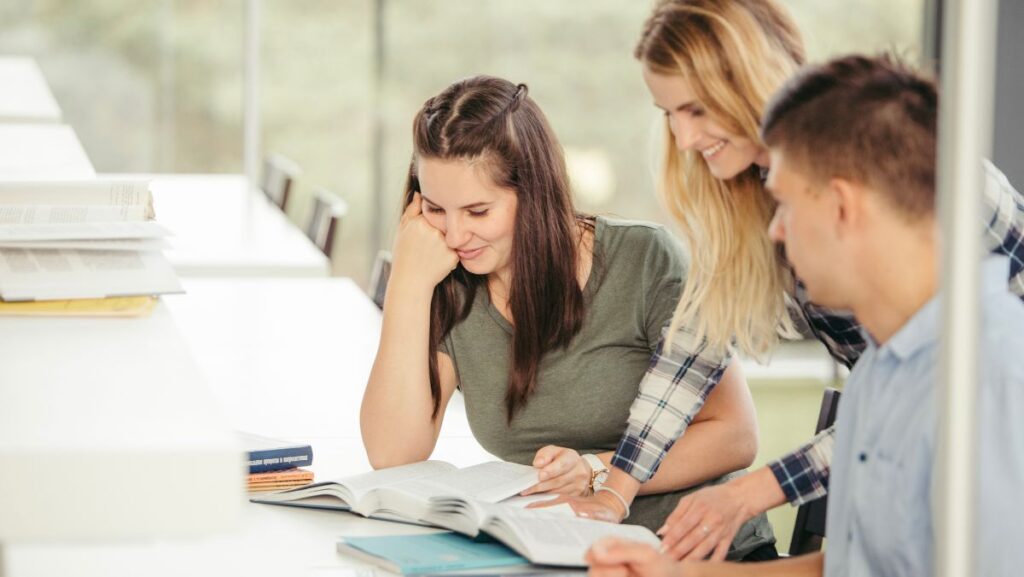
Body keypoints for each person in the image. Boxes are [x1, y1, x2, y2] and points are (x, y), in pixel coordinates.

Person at [572, 0, 1024, 561]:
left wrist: (749, 493)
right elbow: (692, 352)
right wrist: (617, 488)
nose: (683, 140)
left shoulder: (903, 163)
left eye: (695, 109)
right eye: (668, 115)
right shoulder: (887, 371)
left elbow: (963, 386)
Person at [358, 74, 777, 560]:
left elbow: (736, 434)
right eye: (435, 208)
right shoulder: (451, 280)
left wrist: (597, 470)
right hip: (559, 554)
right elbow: (393, 455)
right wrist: (408, 284)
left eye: (477, 211)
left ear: (533, 195)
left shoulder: (644, 260)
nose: (454, 234)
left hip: (694, 551)